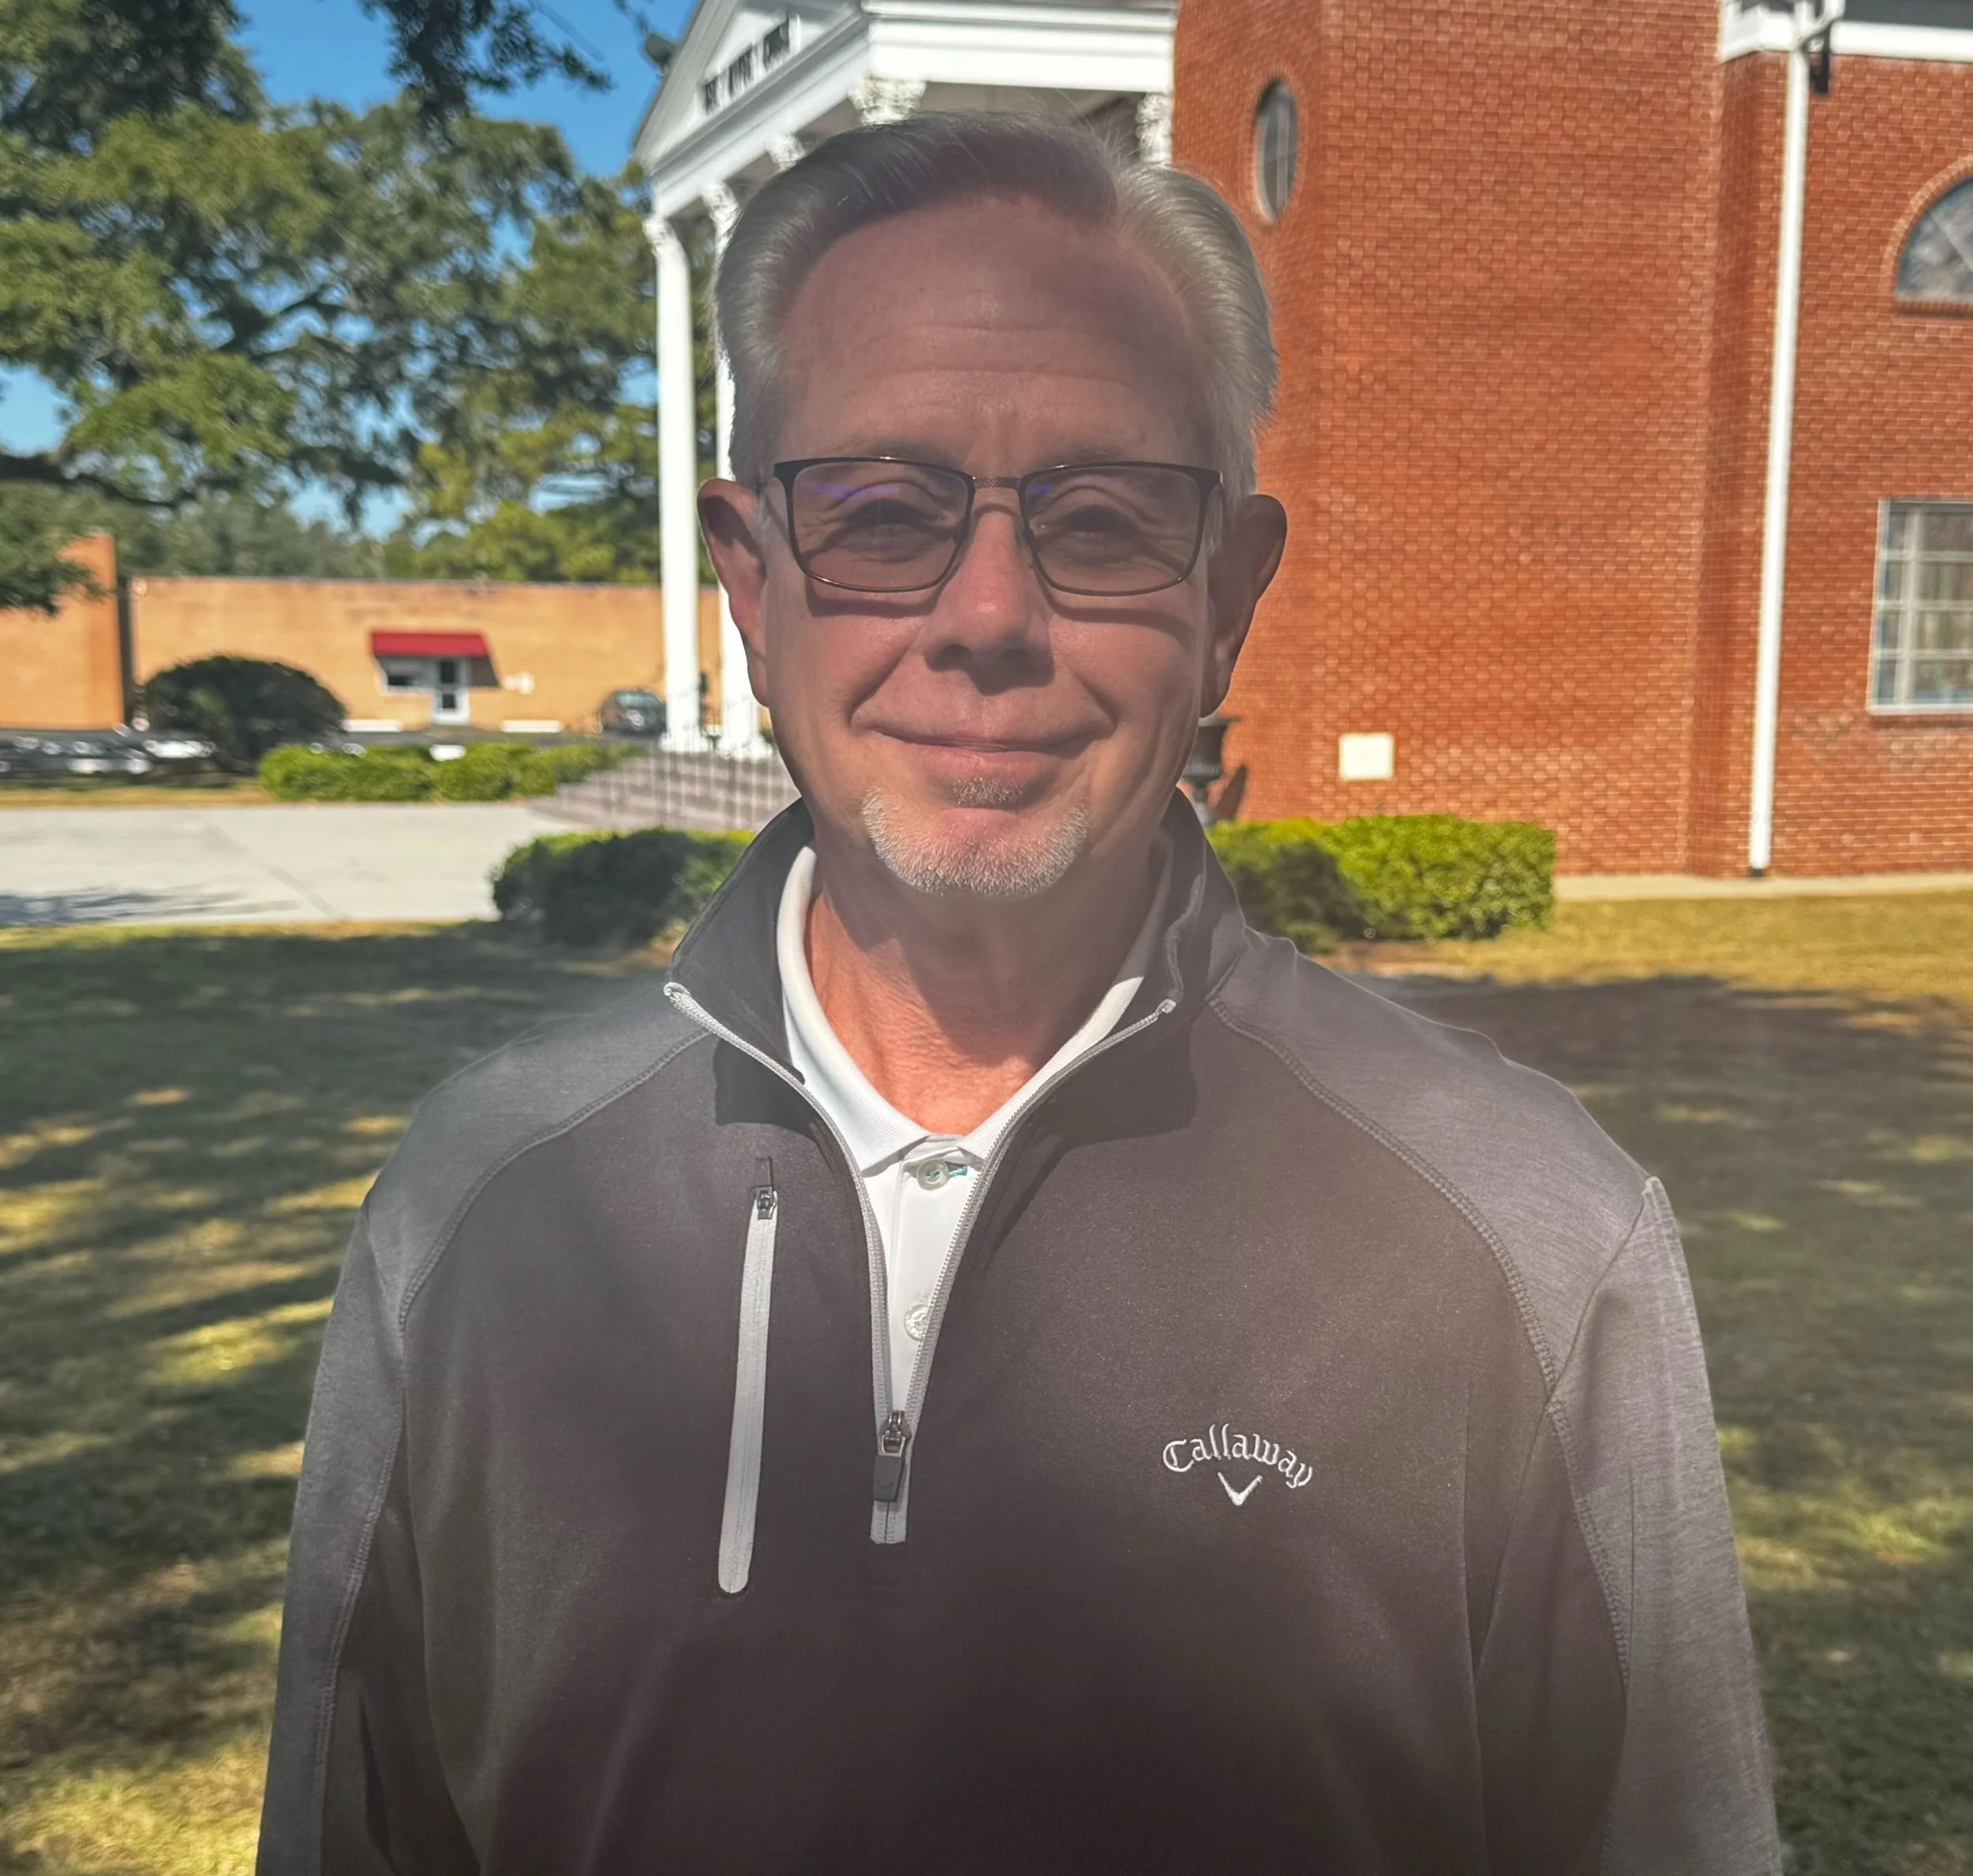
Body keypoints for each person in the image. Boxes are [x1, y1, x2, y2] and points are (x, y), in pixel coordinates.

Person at [258, 113, 1780, 1874]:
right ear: (750, 583)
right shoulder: (482, 1207)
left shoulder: (1526, 1236)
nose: (988, 614)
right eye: (881, 513)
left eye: (1103, 517)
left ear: (1225, 600)